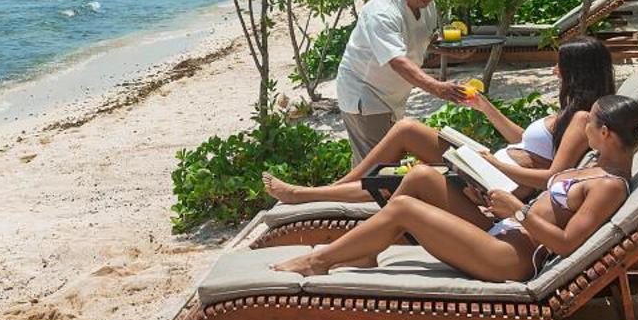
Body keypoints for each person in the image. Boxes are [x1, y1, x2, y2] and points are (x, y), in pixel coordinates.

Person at [270, 93, 638, 282]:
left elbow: (568, 244)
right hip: (503, 230)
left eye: (589, 124)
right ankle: (368, 250)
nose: (582, 126)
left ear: (603, 133)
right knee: (421, 177)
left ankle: (317, 262)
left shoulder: (609, 186)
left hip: (510, 258)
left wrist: (516, 211)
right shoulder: (594, 165)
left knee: (405, 209)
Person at [263, 36, 617, 205]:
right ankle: (328, 189)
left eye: (561, 66)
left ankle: (307, 195)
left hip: (497, 181)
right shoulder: (577, 110)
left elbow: (552, 177)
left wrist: (495, 163)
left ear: (577, 73)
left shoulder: (585, 117)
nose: (555, 69)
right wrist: (485, 107)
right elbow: (527, 139)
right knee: (405, 130)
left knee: (410, 174)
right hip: (494, 166)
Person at [327, 0, 463, 165]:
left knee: (379, 166)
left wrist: (451, 51)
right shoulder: (383, 12)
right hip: (365, 93)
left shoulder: (427, 5)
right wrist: (436, 87)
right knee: (376, 170)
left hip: (393, 96)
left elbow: (421, 40)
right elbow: (397, 60)